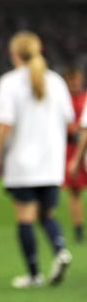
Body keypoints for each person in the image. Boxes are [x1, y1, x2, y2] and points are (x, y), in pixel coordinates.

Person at [0, 31, 74, 288]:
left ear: (13, 53)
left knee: (25, 217)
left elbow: (5, 124)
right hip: (51, 162)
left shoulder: (9, 82)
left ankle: (34, 273)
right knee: (47, 214)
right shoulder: (56, 81)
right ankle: (60, 249)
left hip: (22, 162)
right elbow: (69, 120)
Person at [62, 65, 86, 243]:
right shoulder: (64, 100)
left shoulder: (85, 98)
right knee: (74, 191)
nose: (76, 83)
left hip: (82, 145)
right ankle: (78, 227)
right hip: (71, 147)